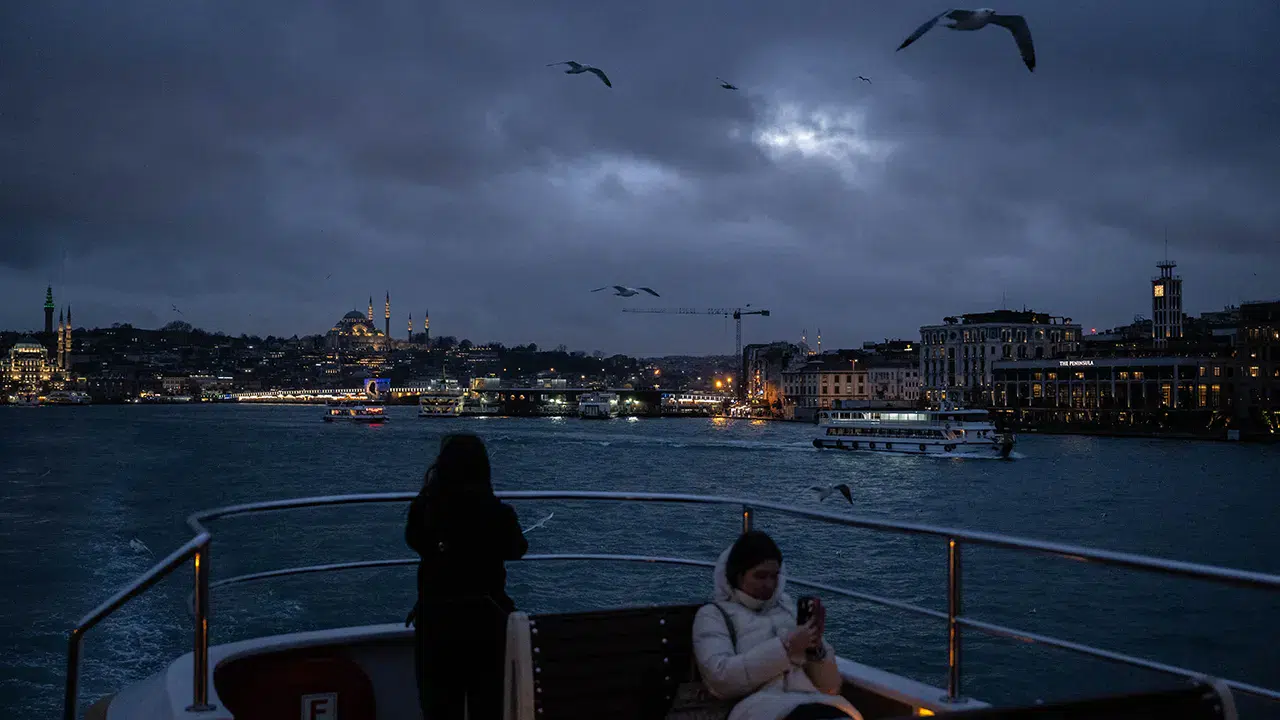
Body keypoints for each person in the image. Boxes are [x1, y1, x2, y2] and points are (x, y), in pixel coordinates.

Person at [405, 433, 528, 720]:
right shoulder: (497, 513)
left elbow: (414, 540)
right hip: (486, 622)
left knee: (439, 707)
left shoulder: (425, 509)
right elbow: (518, 548)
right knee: (488, 705)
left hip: (436, 620)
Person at [692, 531, 862, 720]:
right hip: (757, 709)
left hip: (811, 703)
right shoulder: (713, 615)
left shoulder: (787, 610)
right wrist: (785, 648)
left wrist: (816, 651)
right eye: (760, 576)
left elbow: (830, 687)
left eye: (774, 576)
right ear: (739, 576)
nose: (769, 584)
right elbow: (721, 679)